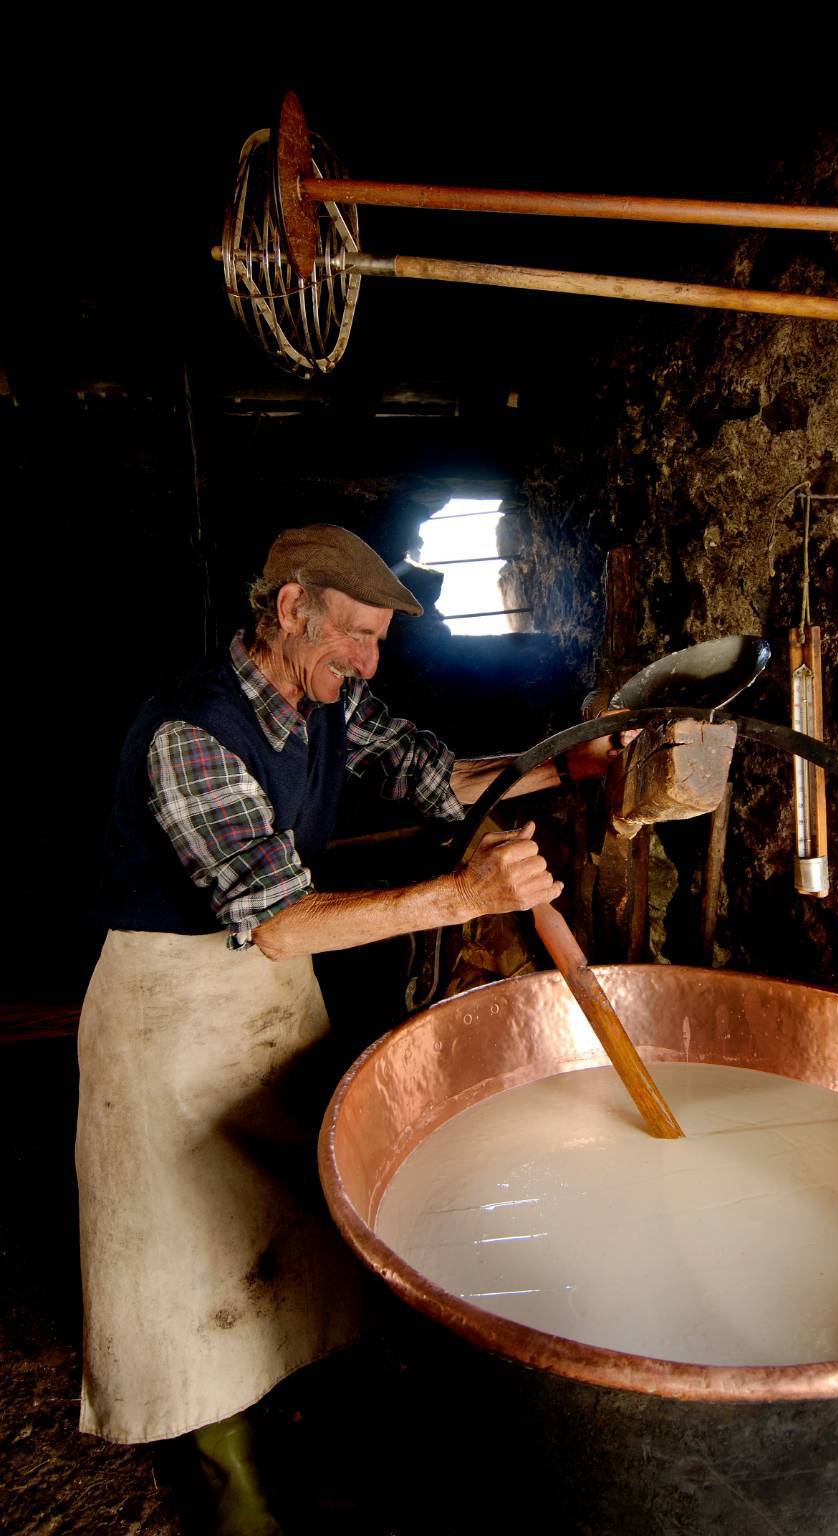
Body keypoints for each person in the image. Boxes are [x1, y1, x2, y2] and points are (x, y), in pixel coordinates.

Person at [76, 523, 621, 1535]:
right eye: (354, 634)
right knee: (185, 1276)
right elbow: (278, 923)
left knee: (291, 1241)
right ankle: (231, 1490)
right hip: (165, 1018)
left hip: (269, 1003)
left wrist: (571, 766)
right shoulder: (188, 732)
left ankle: (297, 1434)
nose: (367, 661)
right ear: (289, 609)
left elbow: (441, 777)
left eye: (378, 642)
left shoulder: (329, 700)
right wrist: (464, 894)